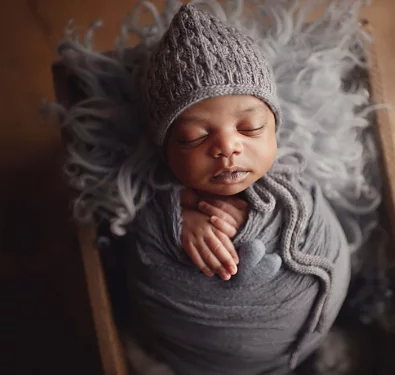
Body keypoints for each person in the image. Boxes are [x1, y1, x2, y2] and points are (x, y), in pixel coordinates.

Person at [115, 4, 351, 375]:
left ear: (275, 130)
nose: (227, 147)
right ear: (165, 151)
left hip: (307, 341)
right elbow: (138, 250)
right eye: (195, 136)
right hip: (197, 360)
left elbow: (325, 236)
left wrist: (264, 220)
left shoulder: (293, 187)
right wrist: (177, 221)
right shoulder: (157, 202)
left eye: (250, 128)